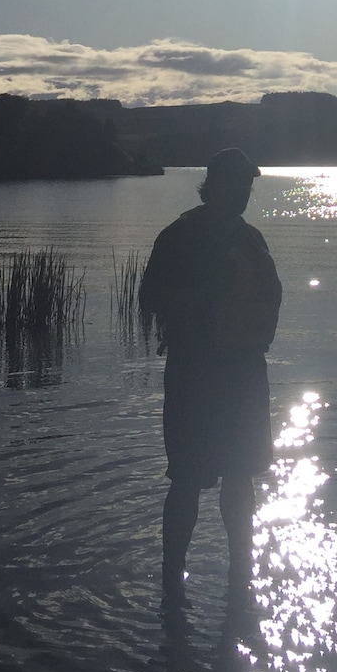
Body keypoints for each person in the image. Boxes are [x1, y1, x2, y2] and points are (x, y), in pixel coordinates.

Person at [140, 147, 282, 603]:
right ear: (213, 185)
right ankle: (172, 577)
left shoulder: (252, 238)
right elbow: (150, 297)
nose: (242, 194)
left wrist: (261, 334)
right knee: (187, 477)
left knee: (241, 475)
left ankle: (241, 572)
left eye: (248, 186)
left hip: (244, 370)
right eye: (235, 185)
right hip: (195, 373)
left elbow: (271, 295)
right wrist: (205, 293)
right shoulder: (181, 235)